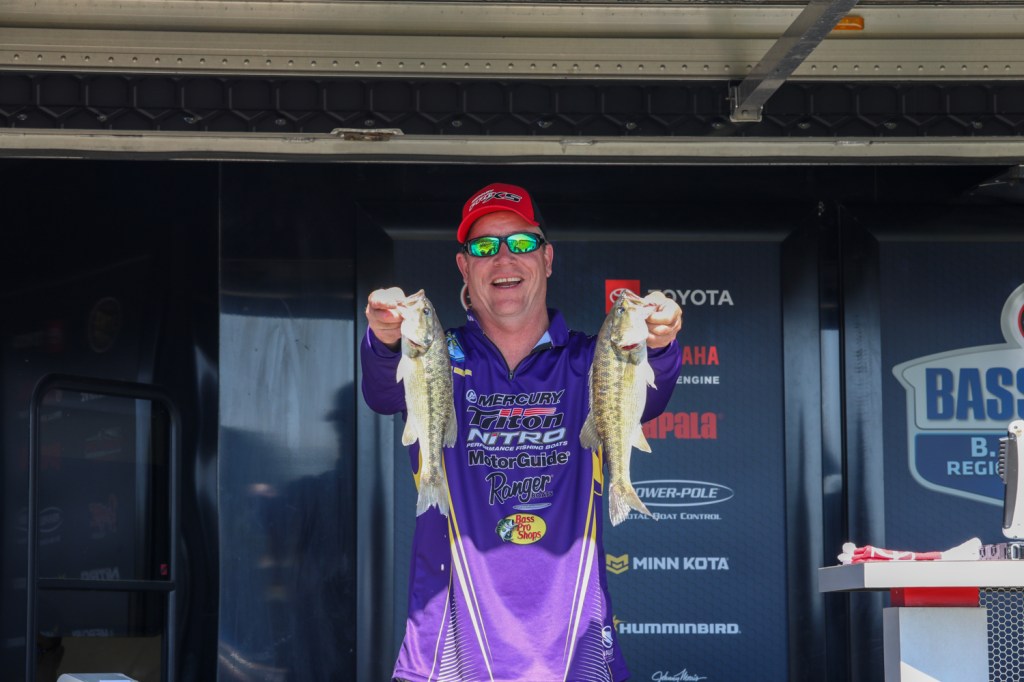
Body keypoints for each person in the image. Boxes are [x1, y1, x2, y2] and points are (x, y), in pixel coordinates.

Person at [362, 182, 683, 682]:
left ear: (547, 258)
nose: (504, 258)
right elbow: (384, 392)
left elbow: (652, 395)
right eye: (484, 247)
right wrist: (385, 339)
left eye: (522, 242)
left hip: (575, 656)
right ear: (464, 266)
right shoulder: (436, 354)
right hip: (447, 656)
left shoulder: (590, 358)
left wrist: (658, 341)